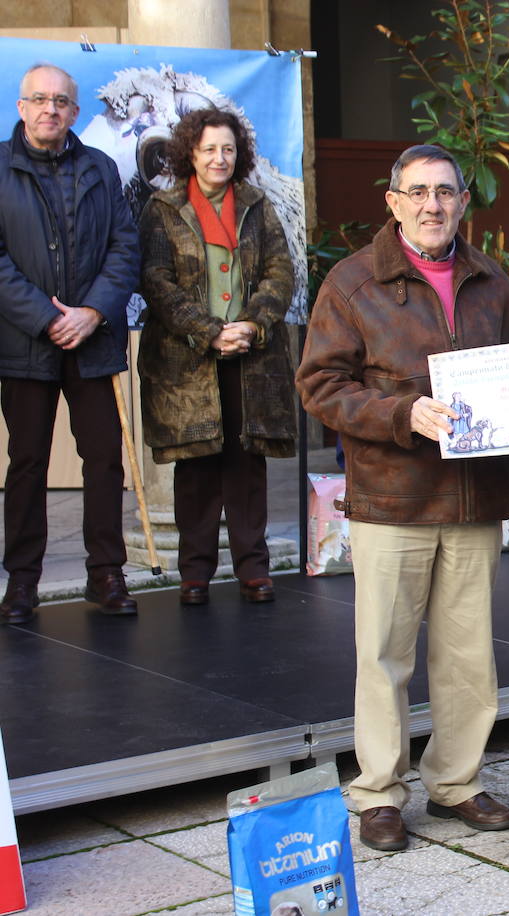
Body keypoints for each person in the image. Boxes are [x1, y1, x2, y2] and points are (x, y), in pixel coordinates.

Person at [297, 144, 509, 851]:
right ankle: (378, 793)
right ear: (393, 202)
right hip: (393, 497)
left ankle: (457, 782)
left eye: (446, 192)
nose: (433, 205)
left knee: (468, 656)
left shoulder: (493, 280)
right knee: (385, 654)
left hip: (473, 498)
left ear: (464, 202)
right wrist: (404, 414)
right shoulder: (352, 282)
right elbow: (320, 386)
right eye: (418, 192)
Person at [0, 63, 140, 625]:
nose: (50, 109)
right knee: (28, 462)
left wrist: (90, 312)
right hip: (23, 343)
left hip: (91, 340)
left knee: (104, 459)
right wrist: (45, 317)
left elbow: (124, 246)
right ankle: (23, 582)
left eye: (61, 101)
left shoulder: (100, 168)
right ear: (21, 107)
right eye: (39, 99)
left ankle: (105, 574)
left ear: (75, 112)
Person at [137, 108, 295, 606]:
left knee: (246, 465)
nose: (219, 158)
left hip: (250, 356)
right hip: (188, 360)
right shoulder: (163, 208)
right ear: (191, 153)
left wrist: (250, 323)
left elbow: (280, 271)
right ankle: (195, 574)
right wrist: (209, 332)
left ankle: (254, 569)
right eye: (209, 149)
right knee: (197, 467)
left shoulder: (256, 204)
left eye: (227, 148)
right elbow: (156, 282)